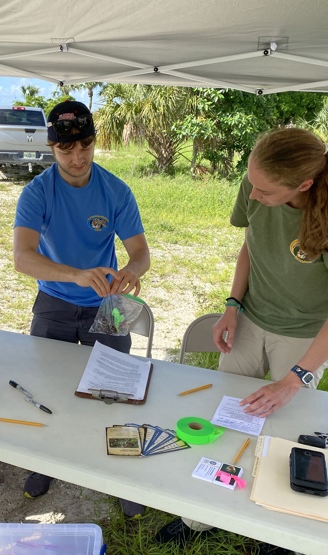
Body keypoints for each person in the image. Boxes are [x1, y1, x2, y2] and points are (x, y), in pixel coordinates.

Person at [156, 127, 328, 554]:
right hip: (251, 318)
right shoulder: (256, 182)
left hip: (306, 334)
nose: (253, 196)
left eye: (265, 191)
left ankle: (274, 529)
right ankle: (199, 516)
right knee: (225, 419)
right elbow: (251, 243)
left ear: (303, 185)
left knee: (287, 431)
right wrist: (232, 304)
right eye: (251, 183)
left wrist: (295, 378)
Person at [13, 100, 150, 517]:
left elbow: (141, 253)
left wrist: (130, 271)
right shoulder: (38, 191)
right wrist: (73, 275)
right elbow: (23, 257)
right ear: (51, 149)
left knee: (116, 392)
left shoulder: (115, 191)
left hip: (105, 306)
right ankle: (45, 463)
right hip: (54, 301)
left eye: (85, 146)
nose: (77, 158)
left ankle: (122, 474)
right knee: (48, 388)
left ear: (94, 142)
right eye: (66, 150)